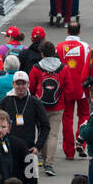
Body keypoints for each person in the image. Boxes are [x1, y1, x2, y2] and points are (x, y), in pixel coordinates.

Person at [29, 42, 67, 175]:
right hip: (58, 105)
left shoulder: (37, 68)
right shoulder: (63, 68)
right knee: (53, 135)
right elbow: (69, 87)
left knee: (42, 132)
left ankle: (42, 158)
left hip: (40, 105)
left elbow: (31, 87)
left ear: (42, 53)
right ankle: (49, 164)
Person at [56, 21, 92, 161]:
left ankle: (69, 152)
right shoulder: (85, 47)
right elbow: (89, 65)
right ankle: (81, 141)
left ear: (67, 32)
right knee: (84, 115)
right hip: (82, 88)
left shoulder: (58, 47)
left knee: (67, 119)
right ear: (79, 32)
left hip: (65, 88)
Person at [0, 70, 50, 166]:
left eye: (23, 84)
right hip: (9, 149)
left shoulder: (35, 102)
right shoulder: (5, 101)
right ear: (13, 84)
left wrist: (38, 147)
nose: (21, 87)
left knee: (30, 179)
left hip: (28, 150)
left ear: (28, 84)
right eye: (18, 84)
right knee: (10, 180)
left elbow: (45, 126)